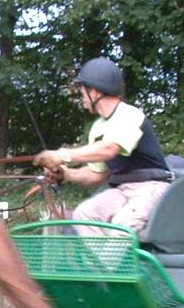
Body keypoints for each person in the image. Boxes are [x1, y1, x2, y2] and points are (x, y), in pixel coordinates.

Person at [32, 56, 171, 235]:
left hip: (150, 187)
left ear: (95, 92)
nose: (82, 97)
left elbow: (109, 149)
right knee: (84, 214)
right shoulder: (97, 128)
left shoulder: (129, 115)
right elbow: (96, 175)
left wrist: (61, 155)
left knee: (122, 225)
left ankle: (110, 263)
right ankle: (100, 264)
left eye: (83, 91)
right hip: (121, 190)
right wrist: (65, 174)